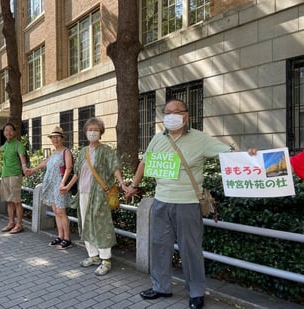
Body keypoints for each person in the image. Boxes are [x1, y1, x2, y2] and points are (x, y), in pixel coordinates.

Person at [125, 99, 235, 309]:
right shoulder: (158, 138)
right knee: (159, 246)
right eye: (167, 112)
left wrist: (250, 156)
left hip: (188, 203)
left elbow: (228, 152)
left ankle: (196, 292)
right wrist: (133, 186)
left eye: (176, 111)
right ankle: (161, 287)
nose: (171, 115)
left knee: (190, 249)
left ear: (186, 115)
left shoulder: (200, 139)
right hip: (161, 202)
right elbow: (144, 162)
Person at [60, 117, 127, 276]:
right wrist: (68, 187)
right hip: (83, 193)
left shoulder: (106, 150)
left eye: (96, 130)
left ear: (101, 133)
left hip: (99, 194)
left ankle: (106, 260)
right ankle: (93, 255)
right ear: (85, 132)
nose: (92, 132)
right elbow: (77, 173)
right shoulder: (83, 152)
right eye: (89, 130)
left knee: (100, 225)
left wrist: (122, 183)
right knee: (85, 223)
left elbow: (115, 167)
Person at [28, 126, 73, 249]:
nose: (55, 139)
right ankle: (60, 236)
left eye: (57, 137)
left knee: (61, 212)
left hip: (59, 185)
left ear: (62, 138)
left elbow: (69, 168)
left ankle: (67, 239)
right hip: (51, 186)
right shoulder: (54, 153)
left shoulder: (66, 151)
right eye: (53, 137)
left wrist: (63, 183)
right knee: (56, 212)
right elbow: (45, 163)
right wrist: (33, 169)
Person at [0, 123, 28, 234]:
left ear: (15, 132)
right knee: (9, 201)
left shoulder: (18, 145)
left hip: (15, 175)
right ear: (3, 133)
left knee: (16, 201)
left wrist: (25, 168)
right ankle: (11, 222)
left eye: (10, 130)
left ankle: (19, 224)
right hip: (5, 175)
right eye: (6, 130)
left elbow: (22, 159)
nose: (8, 132)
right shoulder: (5, 145)